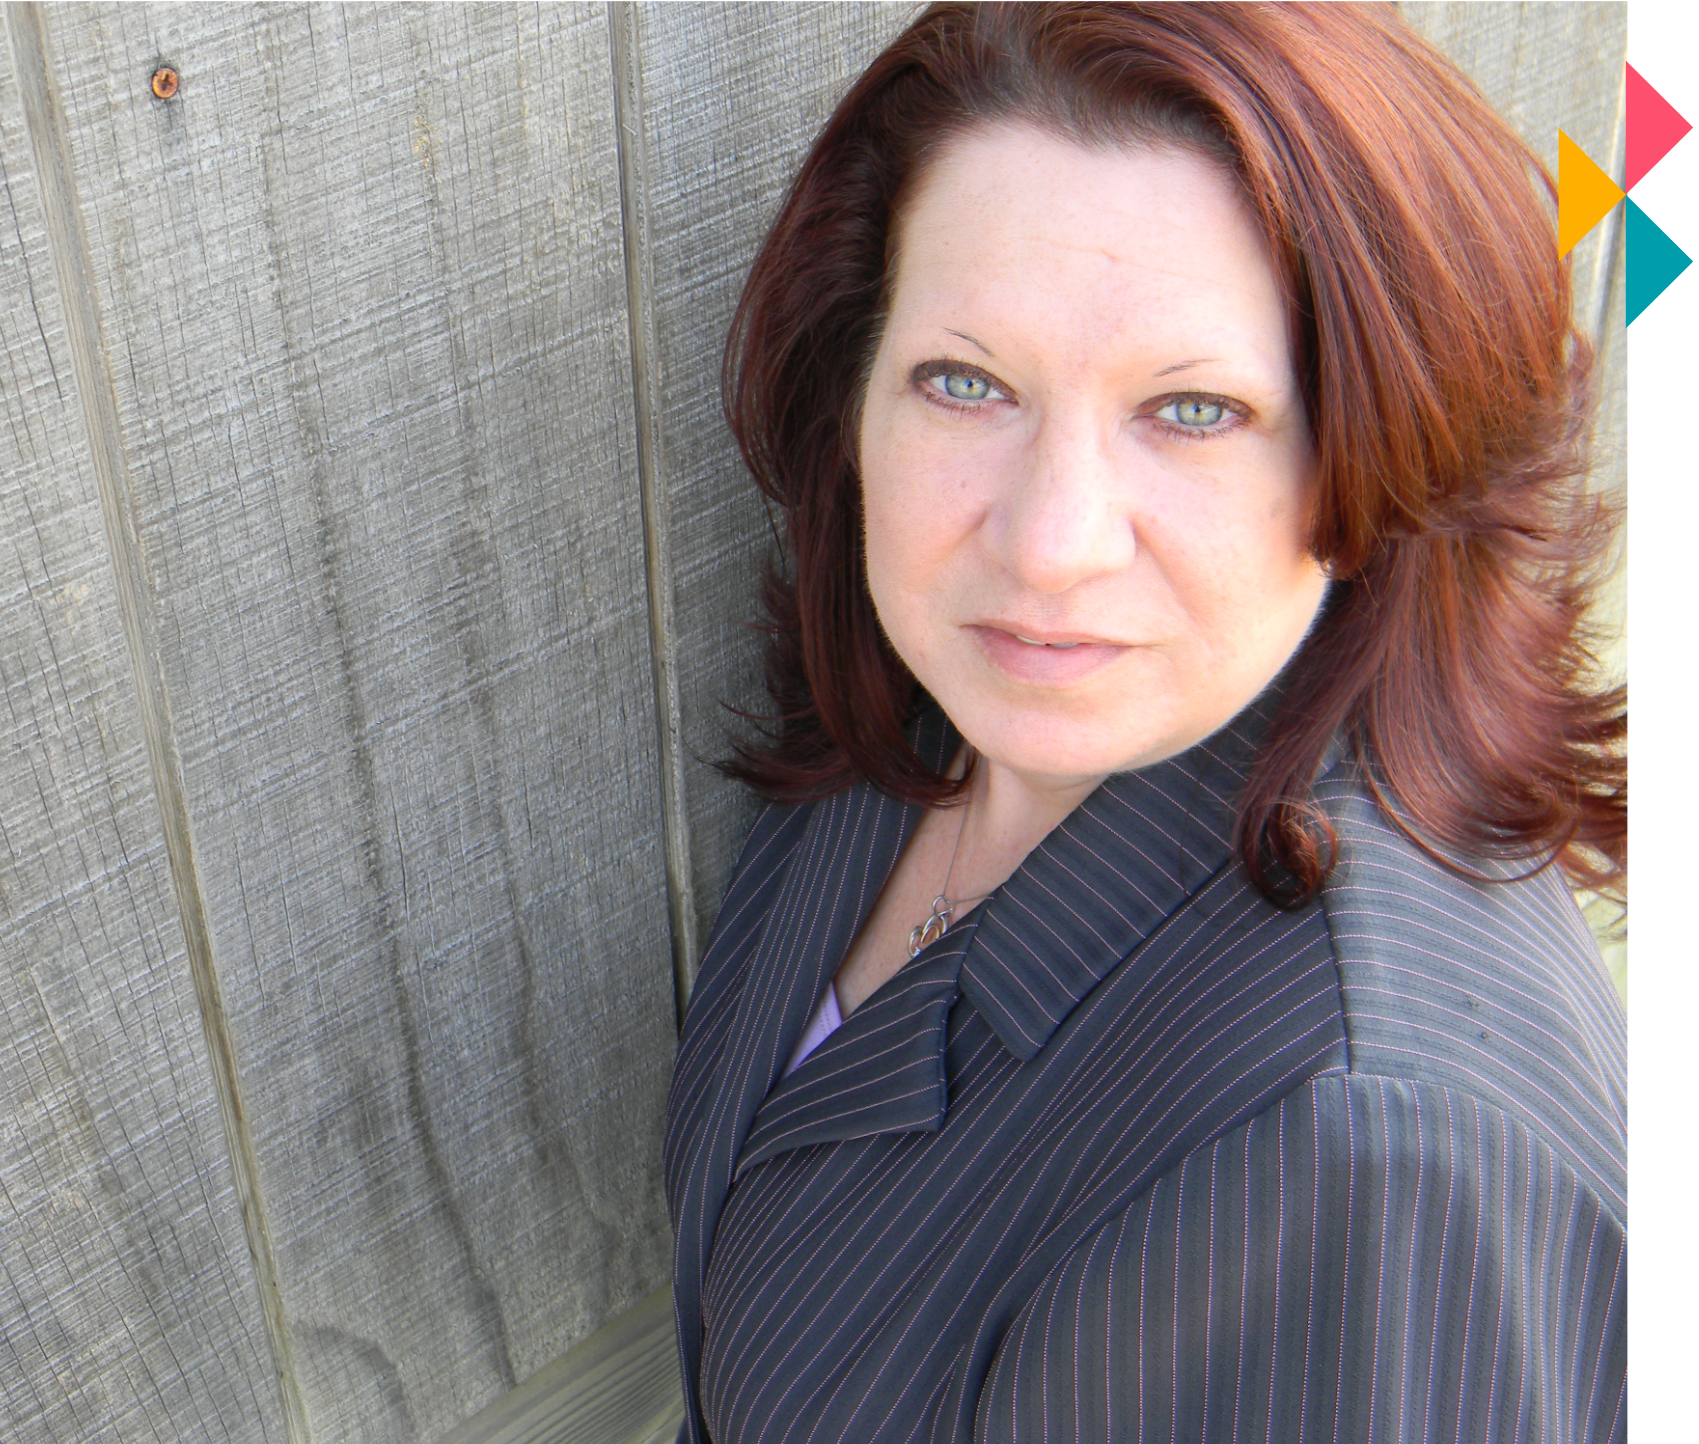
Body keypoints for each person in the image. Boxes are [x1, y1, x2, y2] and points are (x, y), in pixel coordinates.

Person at [662, 4, 1628, 1442]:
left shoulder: (1362, 1154)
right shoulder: (934, 714)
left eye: (1192, 409)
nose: (1050, 542)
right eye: (965, 381)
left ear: (1374, 448)